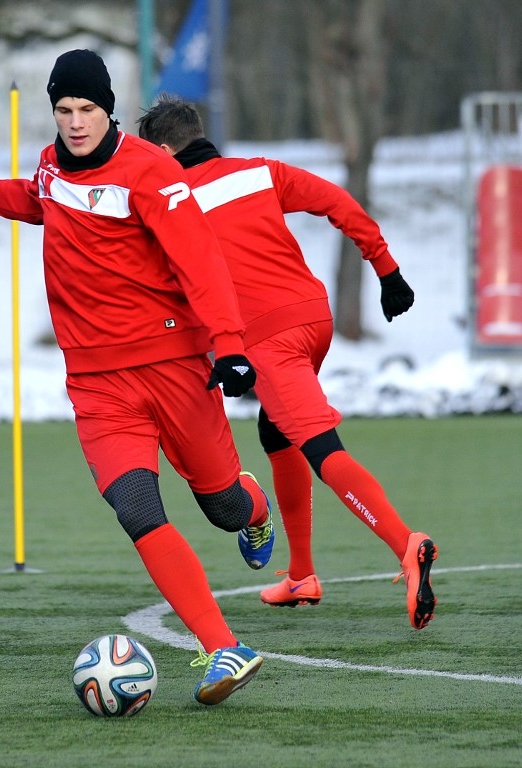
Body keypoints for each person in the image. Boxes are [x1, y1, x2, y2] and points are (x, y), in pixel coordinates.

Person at [0, 49, 276, 706]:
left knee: (223, 507)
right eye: (64, 110)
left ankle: (254, 508)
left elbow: (202, 262)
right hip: (97, 383)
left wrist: (231, 346)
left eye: (87, 109)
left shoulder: (152, 172)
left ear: (109, 109)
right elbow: (35, 199)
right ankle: (224, 647)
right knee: (136, 509)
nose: (75, 123)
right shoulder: (49, 165)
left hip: (174, 367)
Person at [136, 94, 438, 629]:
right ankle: (301, 576)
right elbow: (337, 202)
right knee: (277, 433)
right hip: (313, 319)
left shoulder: (168, 201)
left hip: (266, 339)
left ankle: (405, 544)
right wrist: (386, 269)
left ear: (161, 151)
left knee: (322, 447)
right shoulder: (259, 172)